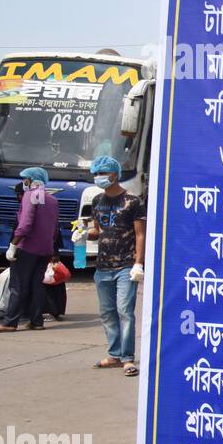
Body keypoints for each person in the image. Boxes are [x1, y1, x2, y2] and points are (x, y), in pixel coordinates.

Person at [87, 156, 145, 376]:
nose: (99, 178)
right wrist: (86, 234)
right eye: (96, 174)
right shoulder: (97, 201)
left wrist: (138, 263)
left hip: (125, 265)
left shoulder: (132, 201)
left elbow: (140, 234)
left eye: (102, 173)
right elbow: (98, 229)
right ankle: (114, 354)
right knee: (107, 312)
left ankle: (127, 358)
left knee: (125, 311)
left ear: (114, 174)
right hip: (102, 266)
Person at [0, 167, 58, 333]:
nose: (24, 182)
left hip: (27, 247)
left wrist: (13, 245)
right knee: (37, 285)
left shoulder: (31, 195)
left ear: (31, 180)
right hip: (45, 248)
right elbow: (54, 229)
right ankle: (37, 321)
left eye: (25, 179)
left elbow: (26, 224)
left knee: (18, 286)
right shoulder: (52, 199)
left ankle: (9, 322)